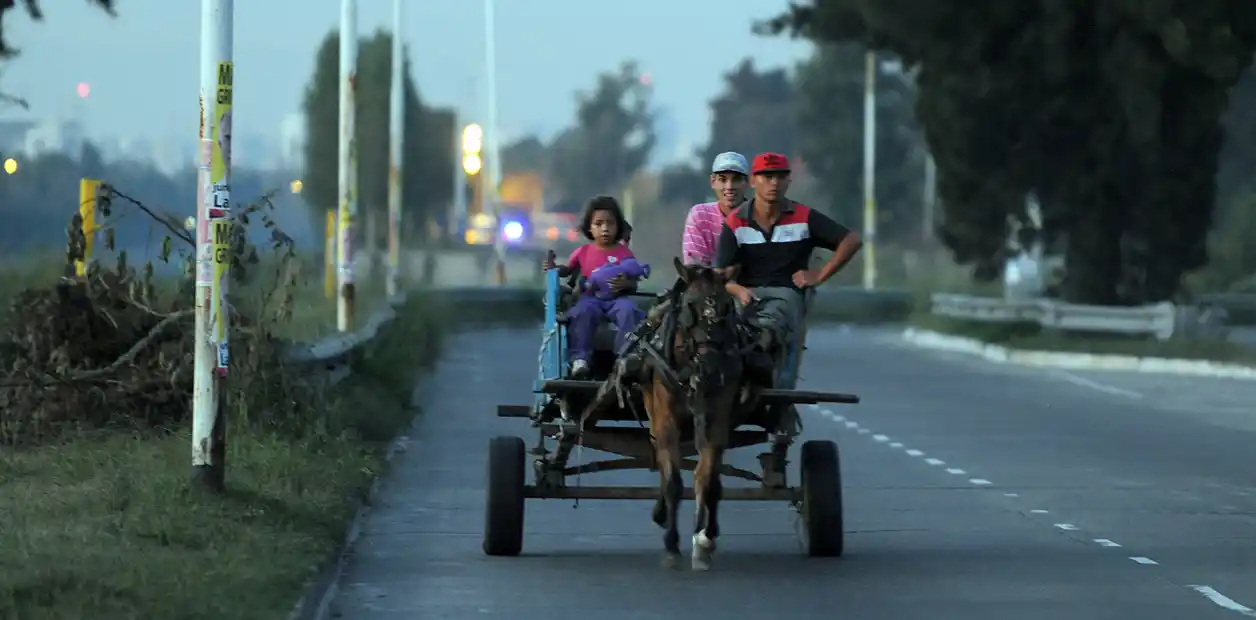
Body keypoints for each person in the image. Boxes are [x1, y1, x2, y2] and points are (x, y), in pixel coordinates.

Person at [714, 152, 863, 413]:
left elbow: (851, 240)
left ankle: (762, 376)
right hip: (746, 295)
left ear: (788, 181)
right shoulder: (736, 221)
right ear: (753, 181)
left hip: (787, 294)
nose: (773, 183)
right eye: (767, 177)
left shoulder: (804, 217)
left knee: (771, 322)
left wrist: (819, 275)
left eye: (780, 177)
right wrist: (738, 290)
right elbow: (720, 275)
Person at [542, 195, 644, 377]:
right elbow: (567, 270)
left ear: (618, 226)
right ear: (589, 227)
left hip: (617, 300)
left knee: (628, 310)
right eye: (599, 223)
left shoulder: (624, 253)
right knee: (582, 312)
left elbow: (633, 282)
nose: (605, 228)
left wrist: (626, 284)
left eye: (610, 223)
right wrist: (554, 268)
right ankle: (580, 358)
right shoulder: (583, 252)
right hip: (590, 298)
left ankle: (626, 356)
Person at [682, 151, 750, 267]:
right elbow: (695, 265)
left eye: (736, 180)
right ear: (713, 182)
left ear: (747, 183)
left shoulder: (757, 216)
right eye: (723, 180)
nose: (729, 187)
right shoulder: (700, 215)